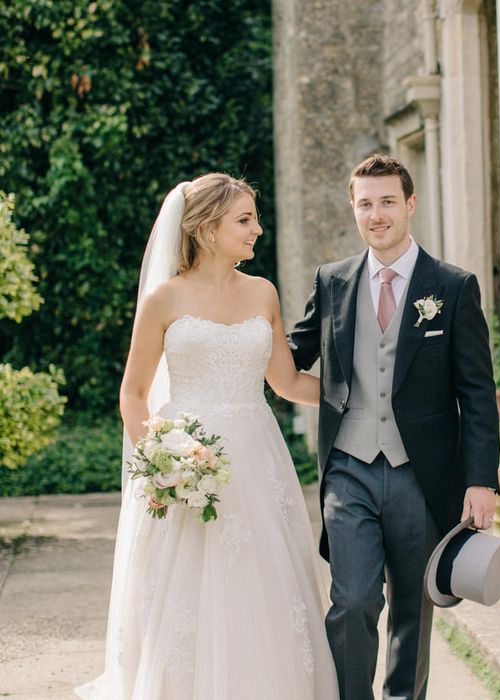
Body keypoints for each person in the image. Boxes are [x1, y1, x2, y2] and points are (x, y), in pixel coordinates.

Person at [75, 173, 339, 699]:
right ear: (205, 227)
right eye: (245, 219)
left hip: (255, 459)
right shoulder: (164, 299)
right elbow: (133, 393)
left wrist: (360, 393)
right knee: (185, 594)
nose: (258, 230)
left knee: (262, 586)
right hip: (185, 461)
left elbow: (284, 382)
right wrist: (159, 458)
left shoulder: (262, 292)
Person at [288, 154, 500, 700]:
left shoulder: (452, 287)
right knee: (353, 600)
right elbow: (293, 352)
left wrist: (481, 480)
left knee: (413, 609)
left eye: (387, 202)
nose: (376, 214)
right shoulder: (332, 281)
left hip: (421, 475)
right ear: (353, 209)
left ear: (409, 204)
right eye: (365, 204)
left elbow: (475, 392)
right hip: (349, 469)